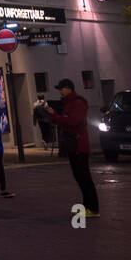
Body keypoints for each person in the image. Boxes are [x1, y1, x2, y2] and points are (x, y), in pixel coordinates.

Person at [49, 79, 99, 217]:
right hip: (74, 145)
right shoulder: (68, 103)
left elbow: (73, 121)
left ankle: (93, 208)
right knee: (79, 177)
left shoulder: (77, 103)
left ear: (69, 88)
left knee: (84, 177)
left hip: (79, 145)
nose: (60, 91)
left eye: (62, 88)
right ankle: (86, 206)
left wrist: (55, 116)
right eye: (59, 89)